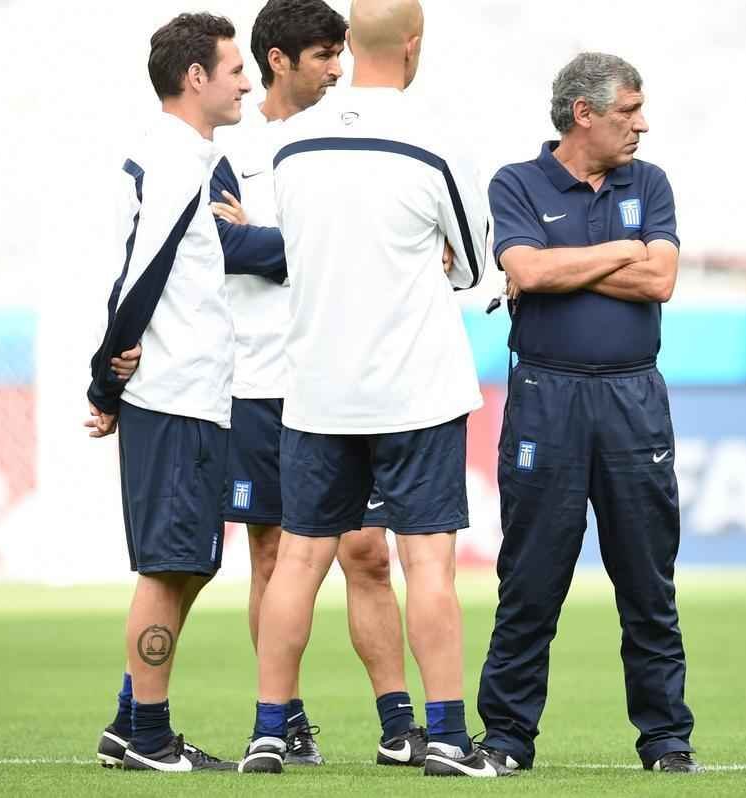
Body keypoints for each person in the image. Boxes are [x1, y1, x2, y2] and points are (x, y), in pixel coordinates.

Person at [238, 0, 506, 778]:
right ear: (415, 43)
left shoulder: (290, 144)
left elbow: (292, 245)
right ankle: (449, 738)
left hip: (316, 387)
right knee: (425, 564)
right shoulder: (433, 142)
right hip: (414, 389)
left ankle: (268, 730)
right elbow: (473, 266)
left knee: (297, 563)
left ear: (350, 43)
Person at [208, 0, 430, 770]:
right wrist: (307, 247)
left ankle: (398, 721)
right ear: (280, 61)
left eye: (343, 52)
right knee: (269, 558)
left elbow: (313, 247)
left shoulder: (341, 142)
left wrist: (282, 245)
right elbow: (225, 249)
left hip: (338, 378)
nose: (339, 68)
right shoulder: (228, 154)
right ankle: (283, 719)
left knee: (368, 554)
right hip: (258, 383)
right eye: (324, 55)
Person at [471, 52, 702, 775]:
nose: (642, 124)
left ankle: (666, 742)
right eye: (628, 111)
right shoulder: (516, 182)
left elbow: (659, 278)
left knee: (647, 582)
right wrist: (619, 252)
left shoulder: (651, 181)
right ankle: (507, 740)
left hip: (633, 397)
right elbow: (527, 271)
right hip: (548, 396)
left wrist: (568, 262)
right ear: (584, 114)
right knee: (532, 580)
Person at [87, 12, 249, 772]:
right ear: (196, 78)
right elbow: (141, 277)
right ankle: (149, 736)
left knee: (188, 561)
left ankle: (130, 721)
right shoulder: (180, 160)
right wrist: (106, 380)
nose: (246, 79)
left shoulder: (178, 155)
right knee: (167, 565)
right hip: (175, 391)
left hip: (195, 392)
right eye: (234, 67)